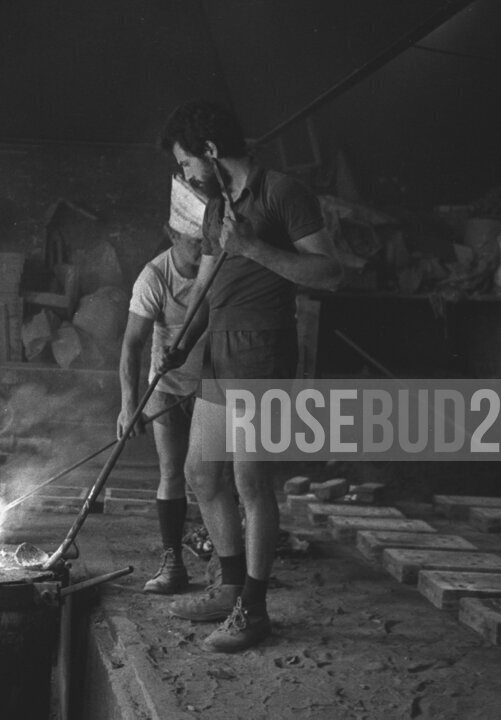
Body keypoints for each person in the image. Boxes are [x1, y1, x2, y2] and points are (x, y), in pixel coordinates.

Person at [159, 100, 341, 652]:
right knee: (201, 473)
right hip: (219, 350)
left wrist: (253, 247)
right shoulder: (216, 207)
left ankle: (254, 610)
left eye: (186, 163)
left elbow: (330, 273)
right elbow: (207, 284)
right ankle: (230, 587)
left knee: (251, 482)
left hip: (264, 352)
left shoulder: (283, 192)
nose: (185, 174)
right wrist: (182, 341)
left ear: (212, 151)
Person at [117, 217, 205, 595]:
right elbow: (132, 345)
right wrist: (129, 406)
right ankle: (173, 564)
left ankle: (222, 566)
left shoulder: (218, 270)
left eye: (207, 238)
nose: (203, 246)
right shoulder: (154, 277)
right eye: (194, 240)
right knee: (171, 473)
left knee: (212, 478)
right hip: (167, 387)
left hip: (212, 388)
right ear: (173, 234)